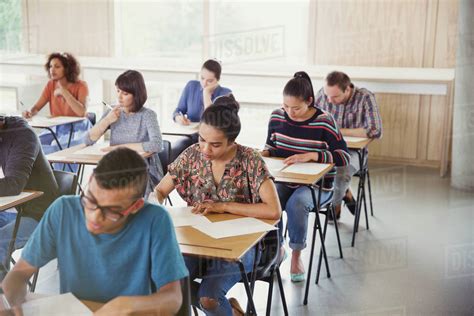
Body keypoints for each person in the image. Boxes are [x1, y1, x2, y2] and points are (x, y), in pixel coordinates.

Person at [1, 148, 188, 315]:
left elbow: (173, 299)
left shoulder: (155, 220)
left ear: (136, 206)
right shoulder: (63, 210)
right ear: (90, 181)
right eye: (90, 201)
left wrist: (126, 306)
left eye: (111, 211)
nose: (94, 217)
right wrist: (10, 304)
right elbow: (18, 275)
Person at [155, 96, 281, 316]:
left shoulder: (250, 159)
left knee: (209, 298)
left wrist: (224, 206)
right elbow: (159, 190)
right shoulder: (192, 155)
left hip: (243, 247)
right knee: (165, 283)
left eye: (215, 144)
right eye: (202, 139)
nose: (205, 149)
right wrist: (155, 208)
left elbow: (273, 210)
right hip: (198, 242)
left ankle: (224, 309)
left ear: (232, 142)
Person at [262, 71, 350, 282]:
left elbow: (343, 156)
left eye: (296, 108)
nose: (289, 112)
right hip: (284, 180)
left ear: (309, 101)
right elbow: (271, 147)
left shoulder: (324, 121)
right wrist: (263, 153)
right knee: (266, 201)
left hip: (319, 187)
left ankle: (296, 254)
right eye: (286, 106)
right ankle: (277, 251)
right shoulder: (276, 116)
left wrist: (313, 156)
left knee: (297, 203)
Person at [315, 71, 383, 218]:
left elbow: (375, 130)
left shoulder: (365, 97)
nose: (329, 100)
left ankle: (335, 206)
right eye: (328, 95)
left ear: (347, 89)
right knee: (311, 169)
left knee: (340, 171)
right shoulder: (323, 94)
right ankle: (344, 192)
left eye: (335, 96)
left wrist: (339, 131)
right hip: (326, 150)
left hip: (354, 153)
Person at [85, 69, 163, 196]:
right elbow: (88, 139)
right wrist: (107, 120)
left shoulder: (148, 115)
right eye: (118, 91)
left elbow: (157, 144)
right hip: (116, 167)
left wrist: (120, 148)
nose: (119, 97)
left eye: (125, 93)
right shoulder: (112, 112)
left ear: (136, 94)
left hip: (141, 170)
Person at [0, 115, 59, 280]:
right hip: (16, 209)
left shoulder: (23, 136)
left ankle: (5, 300)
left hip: (42, 214)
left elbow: (14, 184)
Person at [22, 52, 91, 153]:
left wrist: (64, 92)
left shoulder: (81, 86)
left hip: (77, 128)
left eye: (57, 66)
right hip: (57, 128)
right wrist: (30, 112)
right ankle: (42, 169)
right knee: (32, 144)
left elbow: (81, 113)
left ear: (67, 69)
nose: (52, 70)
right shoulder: (50, 84)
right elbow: (36, 108)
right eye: (50, 66)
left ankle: (56, 169)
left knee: (56, 148)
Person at [170, 59, 232, 161]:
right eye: (202, 78)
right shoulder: (191, 86)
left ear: (218, 79)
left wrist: (206, 93)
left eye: (210, 80)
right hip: (191, 136)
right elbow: (178, 110)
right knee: (173, 149)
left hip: (212, 140)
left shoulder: (225, 93)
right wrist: (178, 118)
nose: (204, 83)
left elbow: (212, 120)